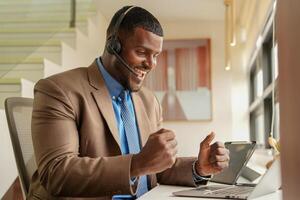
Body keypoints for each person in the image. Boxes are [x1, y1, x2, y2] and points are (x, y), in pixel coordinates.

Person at [29, 6, 229, 200]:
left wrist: (198, 168)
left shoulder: (149, 100)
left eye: (156, 55)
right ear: (113, 46)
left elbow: (155, 169)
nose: (151, 64)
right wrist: (136, 164)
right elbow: (56, 174)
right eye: (142, 52)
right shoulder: (59, 90)